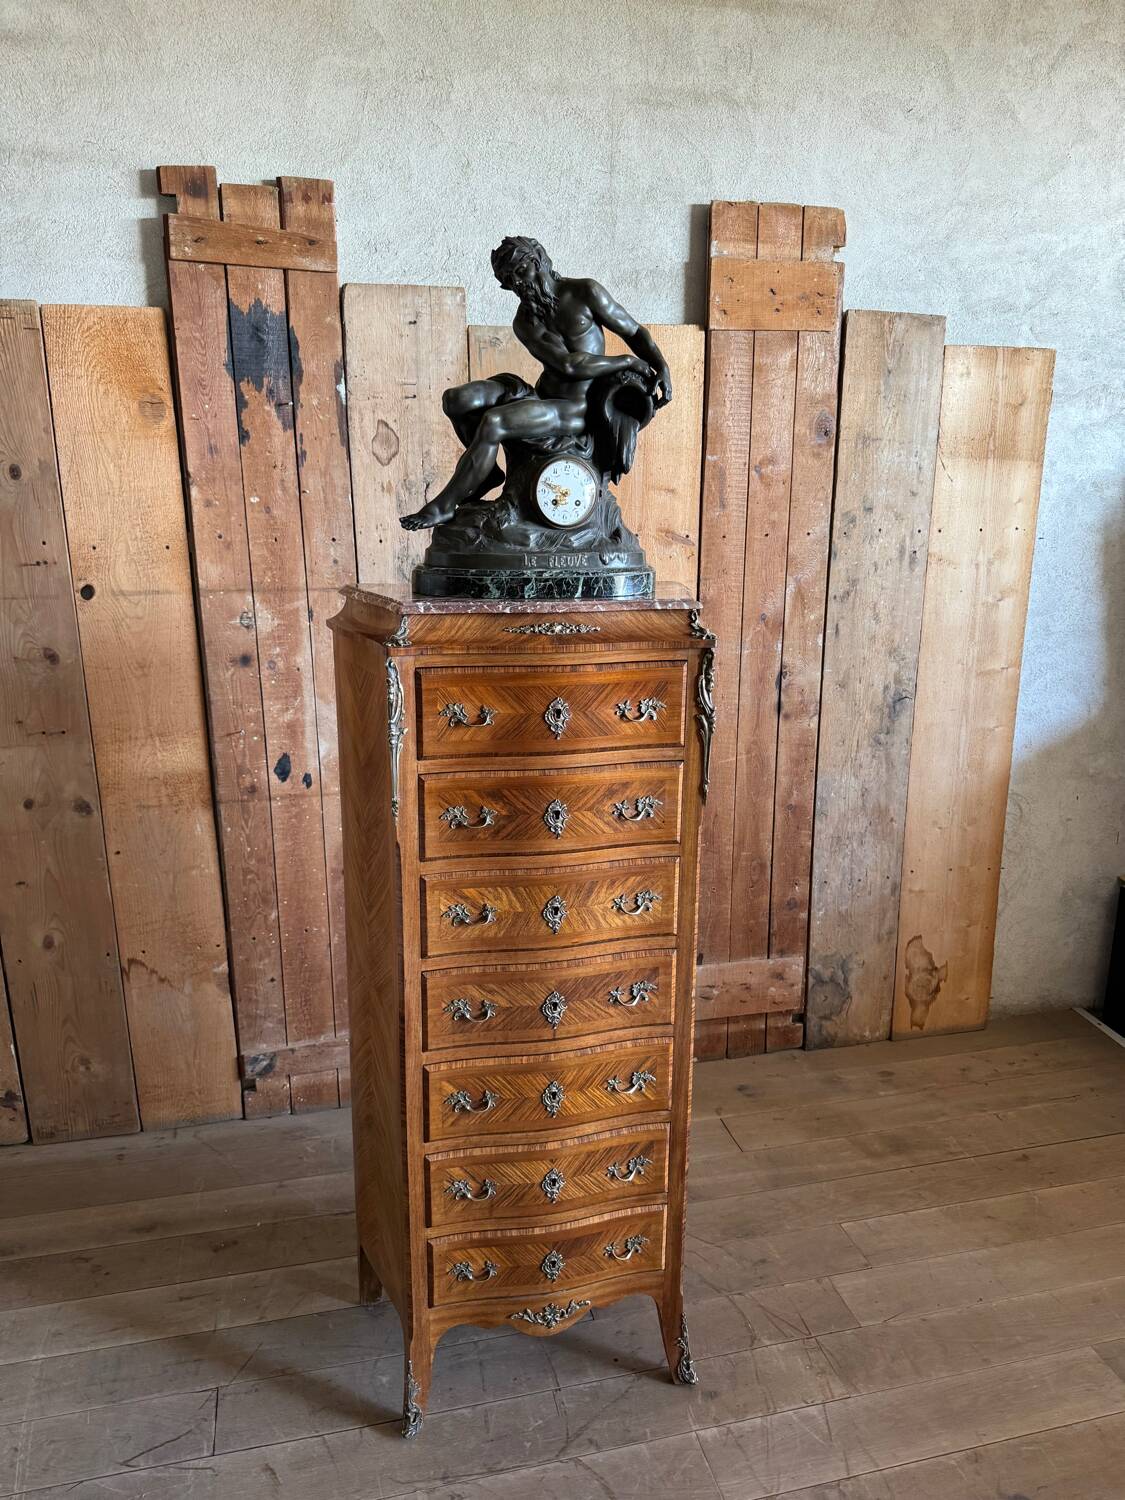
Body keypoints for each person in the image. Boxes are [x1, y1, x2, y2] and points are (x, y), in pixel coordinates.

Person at [400, 236, 672, 530]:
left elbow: (634, 331)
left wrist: (661, 366)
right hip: (541, 395)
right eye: (509, 281)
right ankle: (486, 472)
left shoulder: (585, 292)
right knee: (456, 399)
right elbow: (568, 364)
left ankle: (443, 506)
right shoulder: (525, 321)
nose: (518, 283)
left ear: (539, 259)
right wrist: (628, 361)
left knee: (494, 422)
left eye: (521, 271)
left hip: (574, 408)